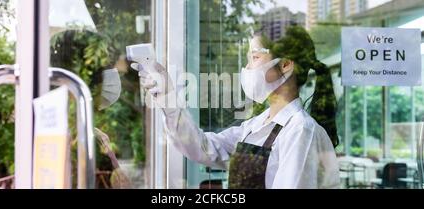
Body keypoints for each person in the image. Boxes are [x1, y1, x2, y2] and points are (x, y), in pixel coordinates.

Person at [131, 26, 340, 189]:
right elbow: (203, 147)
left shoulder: (301, 131)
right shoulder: (256, 125)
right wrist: (168, 97)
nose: (248, 68)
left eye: (255, 57)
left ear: (285, 65)